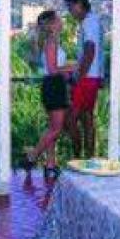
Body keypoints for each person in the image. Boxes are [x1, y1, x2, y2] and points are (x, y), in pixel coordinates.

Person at [24, 10, 74, 180]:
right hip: (53, 86)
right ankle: (33, 155)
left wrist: (66, 70)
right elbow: (53, 69)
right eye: (59, 19)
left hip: (53, 85)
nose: (62, 21)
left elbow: (53, 67)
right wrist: (74, 67)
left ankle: (50, 165)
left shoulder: (52, 41)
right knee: (56, 129)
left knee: (52, 128)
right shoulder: (51, 42)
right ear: (52, 24)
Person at [64, 0, 103, 159]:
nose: (70, 12)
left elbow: (90, 51)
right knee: (87, 119)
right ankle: (89, 158)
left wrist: (77, 77)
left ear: (79, 4)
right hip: (92, 77)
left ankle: (78, 157)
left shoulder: (89, 23)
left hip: (86, 78)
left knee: (70, 119)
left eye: (70, 7)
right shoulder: (93, 21)